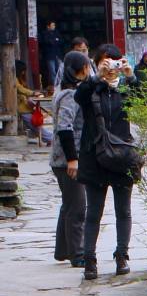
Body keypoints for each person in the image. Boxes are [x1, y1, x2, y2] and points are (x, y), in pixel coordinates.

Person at [76, 44, 137, 280]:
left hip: (122, 156)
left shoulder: (126, 89)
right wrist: (95, 77)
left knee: (124, 210)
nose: (111, 68)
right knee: (94, 212)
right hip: (95, 156)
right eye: (106, 62)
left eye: (115, 62)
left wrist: (131, 78)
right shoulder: (91, 88)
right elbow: (78, 97)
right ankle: (89, 260)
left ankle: (122, 255)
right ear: (98, 63)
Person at [51, 50, 91, 265]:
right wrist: (73, 159)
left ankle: (63, 250)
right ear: (81, 69)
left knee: (68, 204)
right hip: (67, 158)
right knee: (77, 207)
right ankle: (78, 254)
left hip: (61, 158)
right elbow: (65, 128)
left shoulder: (66, 91)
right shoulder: (70, 95)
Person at [15, 61, 47, 145]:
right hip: (21, 108)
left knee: (37, 120)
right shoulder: (14, 79)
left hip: (25, 106)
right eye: (23, 70)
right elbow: (20, 89)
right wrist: (32, 93)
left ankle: (45, 136)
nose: (24, 73)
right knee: (34, 123)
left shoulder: (19, 79)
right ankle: (49, 138)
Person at [39, 19, 63, 89]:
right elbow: (47, 42)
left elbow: (61, 41)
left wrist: (54, 41)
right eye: (52, 25)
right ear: (48, 26)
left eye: (54, 25)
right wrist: (55, 40)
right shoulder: (44, 33)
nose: (54, 26)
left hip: (57, 55)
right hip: (49, 55)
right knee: (52, 72)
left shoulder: (56, 32)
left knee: (60, 70)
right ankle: (55, 86)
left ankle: (60, 85)